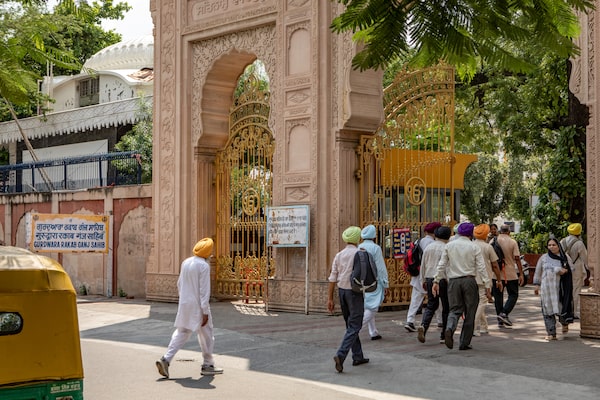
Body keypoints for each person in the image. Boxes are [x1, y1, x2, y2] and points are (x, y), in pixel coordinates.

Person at [156, 238, 224, 378]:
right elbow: (204, 291)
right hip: (198, 306)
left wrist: (184, 300)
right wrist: (205, 311)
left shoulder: (186, 262)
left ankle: (166, 359)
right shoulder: (203, 266)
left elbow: (179, 283)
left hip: (185, 304)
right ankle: (208, 365)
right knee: (206, 335)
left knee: (182, 332)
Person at [432, 222, 491, 350]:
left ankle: (449, 328)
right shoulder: (474, 247)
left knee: (454, 310)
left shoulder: (449, 246)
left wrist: (436, 281)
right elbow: (481, 267)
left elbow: (441, 264)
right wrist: (487, 284)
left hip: (453, 281)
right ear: (471, 233)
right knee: (470, 311)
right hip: (469, 281)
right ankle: (464, 342)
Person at [328, 226, 369, 373]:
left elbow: (333, 277)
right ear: (358, 239)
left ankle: (358, 355)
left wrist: (330, 298)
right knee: (355, 325)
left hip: (342, 291)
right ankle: (341, 354)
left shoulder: (339, 255)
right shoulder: (360, 253)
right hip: (355, 292)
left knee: (350, 325)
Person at [533, 237, 574, 340]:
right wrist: (536, 285)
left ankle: (565, 323)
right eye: (549, 245)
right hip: (547, 290)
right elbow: (538, 271)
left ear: (558, 246)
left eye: (554, 245)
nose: (551, 247)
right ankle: (551, 333)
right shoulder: (544, 258)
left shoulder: (565, 257)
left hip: (560, 290)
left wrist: (564, 271)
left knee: (561, 309)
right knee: (547, 311)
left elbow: (572, 269)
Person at [404, 222, 441, 332]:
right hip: (430, 274)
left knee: (415, 299)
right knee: (436, 298)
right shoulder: (434, 244)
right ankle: (440, 321)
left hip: (417, 274)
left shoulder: (418, 241)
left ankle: (409, 320)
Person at [417, 226, 451, 344]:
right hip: (442, 279)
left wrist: (423, 280)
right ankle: (444, 335)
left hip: (429, 278)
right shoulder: (446, 248)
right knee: (446, 307)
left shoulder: (429, 247)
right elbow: (446, 266)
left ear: (436, 235)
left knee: (431, 304)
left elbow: (423, 264)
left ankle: (423, 326)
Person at [360, 225, 389, 340]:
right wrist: (385, 283)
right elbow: (380, 267)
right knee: (373, 307)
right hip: (374, 281)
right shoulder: (375, 248)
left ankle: (373, 332)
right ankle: (354, 330)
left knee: (368, 305)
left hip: (362, 281)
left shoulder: (359, 247)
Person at [493, 224, 524, 328]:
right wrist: (521, 273)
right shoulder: (512, 242)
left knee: (498, 296)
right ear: (509, 232)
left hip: (496, 274)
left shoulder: (493, 241)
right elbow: (517, 258)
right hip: (510, 273)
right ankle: (504, 313)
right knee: (513, 294)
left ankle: (500, 320)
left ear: (500, 231)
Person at [473, 224, 502, 336]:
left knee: (478, 302)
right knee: (481, 303)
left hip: (471, 278)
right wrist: (499, 280)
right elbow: (495, 265)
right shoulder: (487, 247)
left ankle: (484, 326)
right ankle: (474, 327)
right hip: (484, 278)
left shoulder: (471, 245)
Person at [560, 223, 588, 318]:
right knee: (575, 290)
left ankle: (564, 310)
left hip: (564, 269)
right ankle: (573, 312)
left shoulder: (562, 241)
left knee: (565, 289)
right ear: (579, 233)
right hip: (576, 269)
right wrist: (591, 270)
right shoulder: (579, 243)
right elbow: (586, 259)